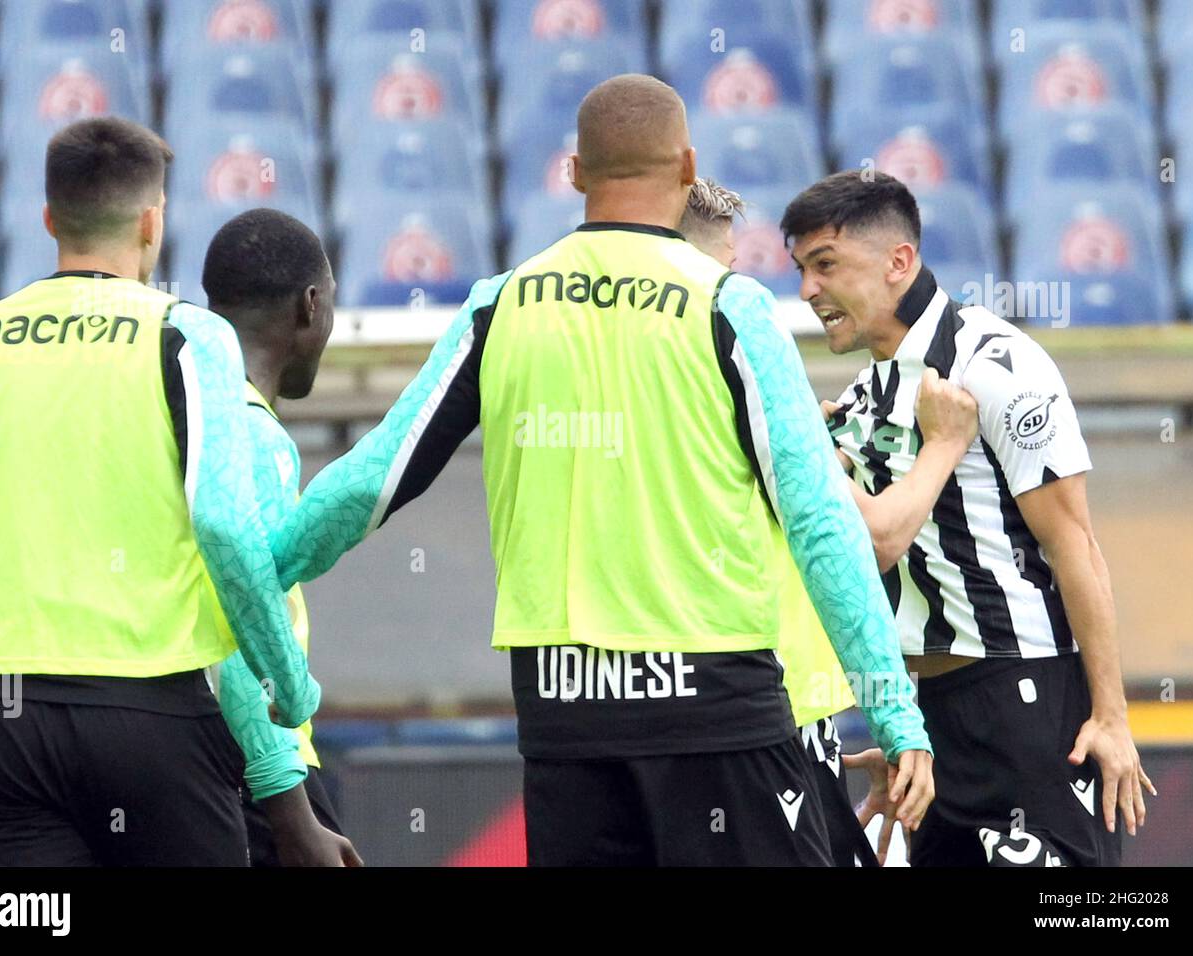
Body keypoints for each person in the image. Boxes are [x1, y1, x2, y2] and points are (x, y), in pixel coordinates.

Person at [269, 75, 934, 866]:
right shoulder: (729, 307)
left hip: (565, 723)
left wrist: (250, 574)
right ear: (688, 168)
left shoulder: (500, 306)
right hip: (715, 714)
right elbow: (821, 521)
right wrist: (894, 713)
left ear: (575, 173)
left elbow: (372, 481)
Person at [0, 117, 319, 865]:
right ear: (150, 220)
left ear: (47, 218)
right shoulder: (185, 334)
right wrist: (287, 686)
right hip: (152, 715)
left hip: (5, 727)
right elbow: (227, 529)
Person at [782, 169, 1155, 867]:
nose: (809, 291)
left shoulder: (996, 364)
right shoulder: (863, 395)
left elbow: (1074, 544)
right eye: (801, 269)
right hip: (932, 716)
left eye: (825, 264)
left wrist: (1110, 715)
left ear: (899, 261)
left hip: (1028, 700)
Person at [679, 175, 876, 866]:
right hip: (773, 709)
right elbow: (866, 537)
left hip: (728, 708)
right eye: (726, 270)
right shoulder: (725, 343)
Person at [199, 208, 360, 867]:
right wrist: (288, 800)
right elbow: (236, 606)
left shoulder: (192, 423)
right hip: (263, 766)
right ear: (311, 306)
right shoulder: (253, 434)